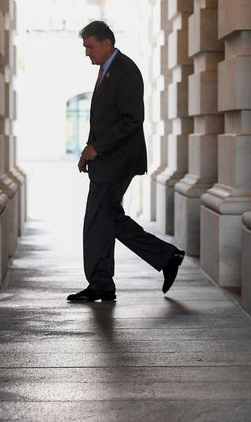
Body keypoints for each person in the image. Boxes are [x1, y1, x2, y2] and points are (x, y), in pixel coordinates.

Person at [67, 20, 185, 302]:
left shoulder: (125, 71)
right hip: (107, 159)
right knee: (109, 218)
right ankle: (165, 258)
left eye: (90, 46)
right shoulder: (108, 70)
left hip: (117, 161)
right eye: (85, 47)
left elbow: (132, 119)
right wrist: (89, 149)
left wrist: (97, 148)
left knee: (96, 220)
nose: (87, 53)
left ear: (107, 43)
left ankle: (100, 283)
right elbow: (105, 119)